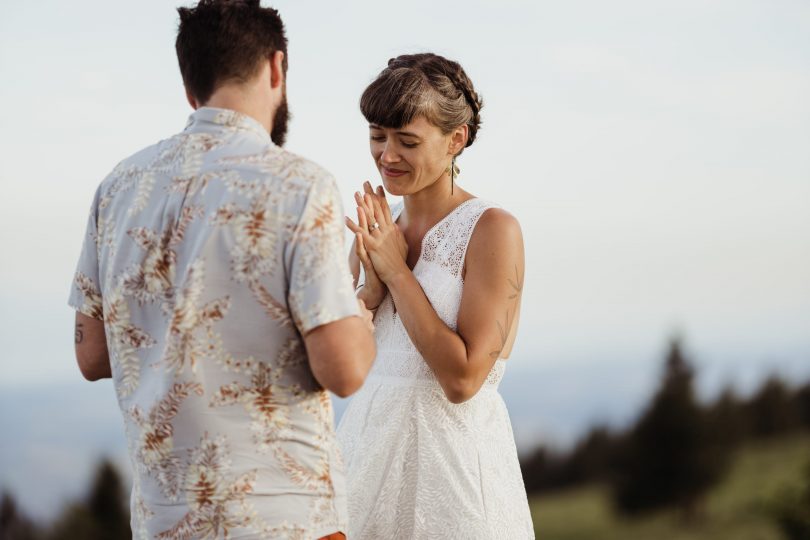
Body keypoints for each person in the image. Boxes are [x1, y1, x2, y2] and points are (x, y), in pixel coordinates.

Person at [68, 2, 375, 538]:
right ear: (277, 69)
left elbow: (92, 355)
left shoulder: (116, 188)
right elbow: (344, 370)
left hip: (164, 518)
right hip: (285, 517)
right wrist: (363, 326)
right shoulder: (299, 185)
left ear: (191, 87)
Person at [336, 53, 535, 538]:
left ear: (455, 140)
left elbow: (463, 379)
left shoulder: (492, 229)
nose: (387, 155)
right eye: (377, 135)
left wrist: (397, 273)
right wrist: (371, 290)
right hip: (367, 459)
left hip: (453, 480)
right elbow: (344, 364)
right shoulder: (380, 229)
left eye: (407, 140)